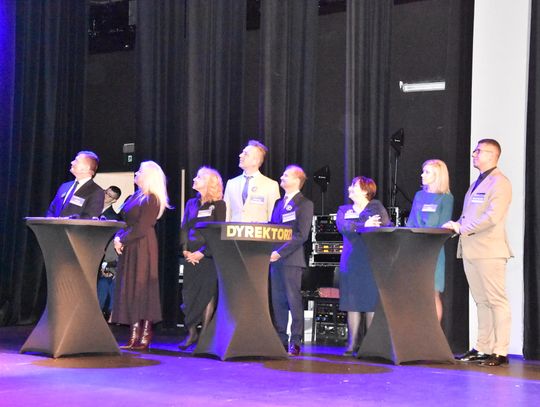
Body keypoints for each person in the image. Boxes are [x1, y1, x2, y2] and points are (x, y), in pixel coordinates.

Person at [443, 139, 512, 367]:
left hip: (490, 251)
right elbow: (469, 215)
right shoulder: (476, 183)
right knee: (482, 301)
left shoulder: (500, 183)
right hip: (471, 250)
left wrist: (462, 228)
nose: (474, 154)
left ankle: (500, 351)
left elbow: (492, 217)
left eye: (478, 151)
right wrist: (455, 225)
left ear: (492, 155)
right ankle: (483, 347)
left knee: (496, 301)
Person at [112, 161, 172, 350]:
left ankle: (145, 334)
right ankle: (133, 335)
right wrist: (118, 237)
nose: (136, 173)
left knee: (142, 287)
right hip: (130, 244)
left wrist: (123, 239)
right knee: (130, 287)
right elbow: (124, 221)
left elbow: (142, 227)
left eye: (140, 171)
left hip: (143, 245)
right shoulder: (134, 196)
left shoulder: (152, 198)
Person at [336, 176, 391, 356]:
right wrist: (364, 224)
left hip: (370, 260)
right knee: (351, 303)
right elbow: (343, 226)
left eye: (354, 186)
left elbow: (384, 223)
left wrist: (358, 225)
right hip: (350, 261)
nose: (350, 188)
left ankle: (370, 344)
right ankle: (352, 343)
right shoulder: (344, 210)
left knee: (369, 302)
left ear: (366, 190)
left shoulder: (376, 207)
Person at [178, 167, 226, 350]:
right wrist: (185, 250)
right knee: (189, 295)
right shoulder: (191, 203)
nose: (194, 179)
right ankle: (191, 333)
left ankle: (205, 336)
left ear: (210, 183)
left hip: (207, 256)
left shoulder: (218, 205)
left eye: (199, 177)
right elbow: (184, 227)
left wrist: (203, 252)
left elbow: (218, 232)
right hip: (190, 256)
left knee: (207, 295)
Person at [269, 165, 314, 356]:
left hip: (291, 259)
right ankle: (280, 339)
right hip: (274, 259)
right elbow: (272, 229)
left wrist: (280, 252)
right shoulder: (278, 203)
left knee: (292, 299)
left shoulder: (305, 204)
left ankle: (295, 341)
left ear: (297, 180)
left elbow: (302, 235)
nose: (282, 177)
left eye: (286, 175)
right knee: (277, 300)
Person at [406, 159, 454, 322]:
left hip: (433, 251)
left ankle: (433, 333)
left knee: (433, 293)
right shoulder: (419, 195)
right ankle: (418, 331)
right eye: (423, 171)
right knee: (416, 293)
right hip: (415, 251)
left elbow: (443, 227)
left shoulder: (446, 198)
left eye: (427, 172)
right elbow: (411, 223)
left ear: (438, 176)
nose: (422, 175)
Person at [223, 140, 280, 222]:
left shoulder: (271, 185)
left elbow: (273, 217)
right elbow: (226, 214)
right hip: (234, 230)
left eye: (245, 154)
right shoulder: (231, 183)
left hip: (258, 230)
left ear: (255, 161)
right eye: (242, 153)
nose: (240, 155)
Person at [46, 151, 104, 219]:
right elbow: (52, 209)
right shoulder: (65, 186)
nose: (72, 162)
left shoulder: (96, 192)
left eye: (76, 161)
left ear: (86, 168)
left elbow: (89, 218)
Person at [97, 186, 122, 320]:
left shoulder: (113, 217)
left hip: (104, 255)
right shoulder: (91, 208)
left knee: (105, 282)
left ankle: (105, 312)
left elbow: (111, 241)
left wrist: (107, 261)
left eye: (109, 195)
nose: (105, 196)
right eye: (105, 192)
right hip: (88, 251)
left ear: (114, 200)